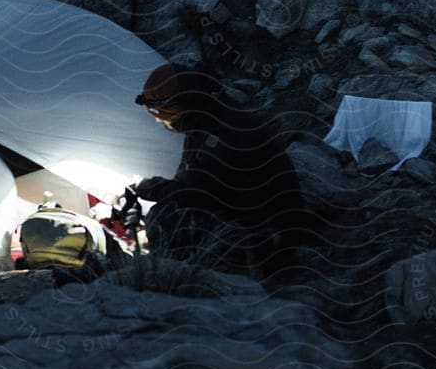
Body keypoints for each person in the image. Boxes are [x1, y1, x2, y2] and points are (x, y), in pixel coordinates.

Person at [130, 62, 318, 276]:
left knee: (165, 219)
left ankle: (229, 276)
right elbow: (189, 182)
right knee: (167, 213)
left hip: (270, 235)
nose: (163, 122)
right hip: (253, 218)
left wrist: (147, 187)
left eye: (165, 114)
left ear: (186, 103)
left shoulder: (226, 133)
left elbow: (195, 194)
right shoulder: (207, 121)